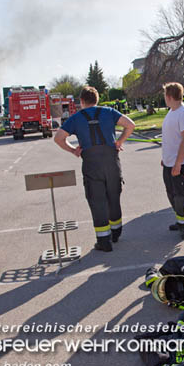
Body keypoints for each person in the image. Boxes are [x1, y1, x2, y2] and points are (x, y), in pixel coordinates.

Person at [54, 86, 135, 252]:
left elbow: (59, 138)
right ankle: (116, 232)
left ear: (82, 101)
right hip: (112, 161)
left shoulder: (76, 118)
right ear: (97, 99)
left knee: (97, 200)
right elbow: (130, 125)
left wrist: (73, 150)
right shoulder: (109, 112)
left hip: (91, 163)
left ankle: (104, 241)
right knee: (114, 195)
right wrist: (119, 141)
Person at [161, 82, 184, 240]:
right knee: (172, 193)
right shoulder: (172, 112)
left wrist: (178, 163)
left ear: (169, 96)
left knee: (182, 195)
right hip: (170, 162)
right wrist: (166, 160)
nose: (164, 98)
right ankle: (180, 219)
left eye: (164, 95)